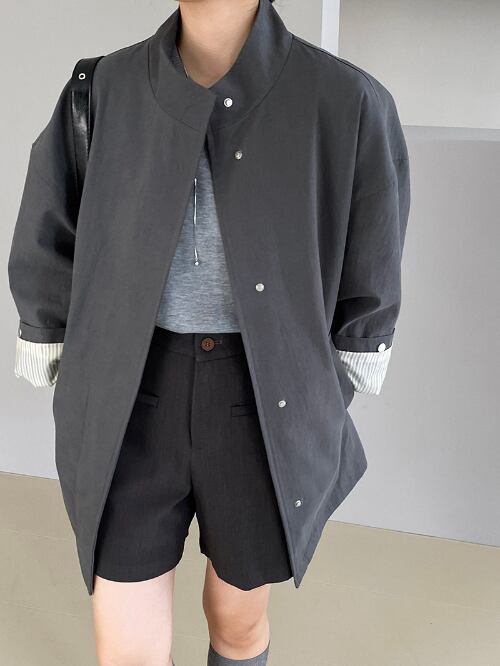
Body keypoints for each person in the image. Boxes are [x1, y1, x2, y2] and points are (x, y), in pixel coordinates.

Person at [7, 0, 411, 664]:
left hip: (260, 399)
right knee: (125, 645)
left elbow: (375, 240)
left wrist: (351, 349)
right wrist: (45, 322)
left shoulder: (345, 99)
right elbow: (51, 217)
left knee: (237, 620)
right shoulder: (101, 87)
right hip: (130, 394)